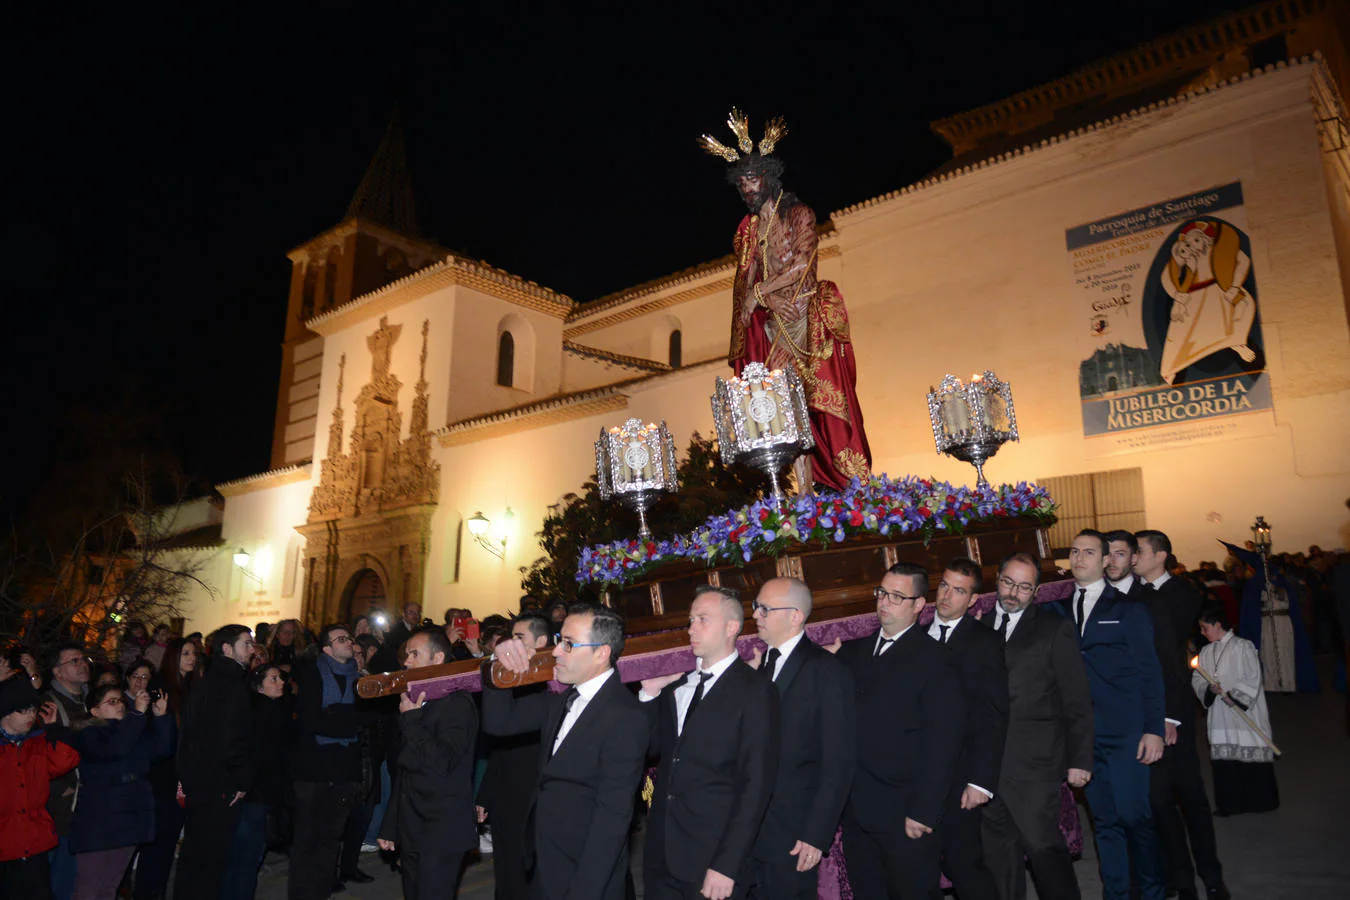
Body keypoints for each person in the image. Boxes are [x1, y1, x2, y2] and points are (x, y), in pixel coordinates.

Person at [701, 109, 871, 490]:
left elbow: (801, 266)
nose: (747, 188)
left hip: (806, 319)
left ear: (769, 177)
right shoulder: (747, 232)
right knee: (787, 414)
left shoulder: (799, 214)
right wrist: (757, 302)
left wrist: (760, 294)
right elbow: (746, 278)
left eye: (753, 178)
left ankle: (851, 485)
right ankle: (803, 494)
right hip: (776, 324)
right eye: (741, 182)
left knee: (824, 408)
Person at [486, 605, 647, 900]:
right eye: (560, 639)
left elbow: (611, 821)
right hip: (545, 863)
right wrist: (498, 661)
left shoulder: (625, 715)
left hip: (584, 875)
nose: (557, 651)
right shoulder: (561, 699)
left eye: (569, 644)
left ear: (601, 653)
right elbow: (499, 723)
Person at [832, 562, 964, 899]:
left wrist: (923, 810)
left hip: (906, 812)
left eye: (896, 596)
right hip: (858, 809)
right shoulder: (852, 653)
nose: (884, 602)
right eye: (882, 593)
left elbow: (943, 744)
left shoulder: (937, 660)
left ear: (919, 604)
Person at [638, 586, 779, 900]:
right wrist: (648, 693)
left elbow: (755, 786)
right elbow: (648, 750)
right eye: (690, 620)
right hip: (662, 856)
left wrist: (727, 864)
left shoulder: (755, 691)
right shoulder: (677, 687)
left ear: (731, 628)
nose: (691, 629)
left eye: (702, 620)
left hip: (712, 859)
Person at [1057, 530, 1166, 900]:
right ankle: (1115, 893)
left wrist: (1153, 729)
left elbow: (1150, 673)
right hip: (1085, 736)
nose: (1079, 558)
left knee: (1135, 817)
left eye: (1089, 552)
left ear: (1106, 560)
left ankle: (1152, 891)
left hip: (1127, 733)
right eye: (1074, 551)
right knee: (1104, 822)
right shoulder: (1058, 610)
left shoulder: (1128, 610)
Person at [980, 552, 1093, 900]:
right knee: (998, 858)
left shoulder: (1053, 629)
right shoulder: (978, 627)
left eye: (1025, 587)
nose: (1014, 593)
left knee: (1045, 851)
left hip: (1034, 765)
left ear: (1037, 591)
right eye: (1008, 583)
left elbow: (1076, 699)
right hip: (985, 767)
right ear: (997, 580)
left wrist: (1081, 759)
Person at [1135, 531, 1229, 900]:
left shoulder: (1182, 593)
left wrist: (1170, 717)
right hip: (1146, 714)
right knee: (1159, 803)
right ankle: (1181, 878)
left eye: (1138, 551)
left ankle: (1213, 876)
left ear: (1160, 556)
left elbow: (1170, 662)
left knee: (1191, 799)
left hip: (1174, 712)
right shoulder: (1135, 595)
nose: (1131, 558)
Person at [747, 578, 854, 899]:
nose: (756, 615)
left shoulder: (826, 671)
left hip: (793, 831)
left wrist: (816, 834)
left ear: (795, 616)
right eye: (756, 607)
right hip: (753, 828)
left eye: (764, 608)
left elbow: (839, 760)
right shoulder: (761, 667)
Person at [927, 558, 1006, 900]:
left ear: (973, 599)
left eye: (959, 590)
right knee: (921, 867)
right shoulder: (913, 634)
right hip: (918, 776)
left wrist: (980, 782)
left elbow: (993, 715)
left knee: (963, 864)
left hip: (962, 776)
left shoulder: (985, 641)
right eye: (944, 585)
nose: (947, 596)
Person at [378, 627, 479, 899]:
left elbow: (443, 761)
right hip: (413, 825)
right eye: (406, 654)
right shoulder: (415, 700)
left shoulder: (458, 702)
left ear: (437, 659)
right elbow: (407, 768)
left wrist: (412, 721)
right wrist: (391, 824)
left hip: (442, 829)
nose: (406, 661)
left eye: (414, 654)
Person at [67, 683, 174, 900]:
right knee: (89, 887)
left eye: (121, 702)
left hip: (130, 816)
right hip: (99, 819)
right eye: (112, 702)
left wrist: (161, 716)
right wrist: (136, 714)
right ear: (94, 711)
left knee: (109, 886)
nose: (120, 706)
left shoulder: (131, 729)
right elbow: (114, 748)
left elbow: (161, 750)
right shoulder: (89, 733)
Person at [174, 625, 256, 900]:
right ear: (226, 649)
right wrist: (240, 781)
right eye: (246, 644)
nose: (252, 650)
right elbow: (231, 740)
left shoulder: (207, 681)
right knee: (209, 863)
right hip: (218, 786)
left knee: (195, 859)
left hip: (201, 783)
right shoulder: (230, 686)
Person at [477, 613, 552, 899]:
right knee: (507, 870)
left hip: (537, 797)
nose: (513, 645)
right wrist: (485, 795)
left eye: (520, 638)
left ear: (542, 641)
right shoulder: (509, 676)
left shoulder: (554, 682)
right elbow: (499, 744)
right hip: (507, 795)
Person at [289, 624, 367, 900]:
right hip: (313, 769)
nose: (349, 642)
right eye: (341, 639)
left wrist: (337, 715)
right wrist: (345, 721)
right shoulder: (312, 675)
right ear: (327, 649)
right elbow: (310, 721)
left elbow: (364, 719)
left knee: (331, 837)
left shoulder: (359, 679)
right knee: (307, 838)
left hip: (344, 770)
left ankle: (321, 892)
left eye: (349, 638)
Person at [1192, 608, 1279, 815]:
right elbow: (1198, 679)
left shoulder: (1243, 646)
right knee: (1226, 760)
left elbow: (1252, 676)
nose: (1202, 633)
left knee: (1249, 755)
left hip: (1243, 713)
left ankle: (1259, 802)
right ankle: (1229, 804)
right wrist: (1209, 689)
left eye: (1205, 628)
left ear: (1218, 624)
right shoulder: (1205, 652)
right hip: (1220, 714)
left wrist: (1235, 696)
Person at [0, 677, 80, 896]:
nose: (30, 716)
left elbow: (65, 761)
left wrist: (55, 729)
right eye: (23, 711)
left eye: (32, 710)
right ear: (6, 712)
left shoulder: (36, 742)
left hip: (34, 841)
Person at [221, 664, 292, 900]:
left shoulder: (274, 709)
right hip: (254, 794)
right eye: (273, 679)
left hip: (261, 793)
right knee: (245, 856)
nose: (280, 682)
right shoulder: (260, 713)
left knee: (245, 856)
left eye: (280, 678)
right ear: (258, 686)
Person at [133, 637, 196, 900]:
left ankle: (155, 891)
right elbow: (163, 738)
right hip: (162, 777)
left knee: (168, 843)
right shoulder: (162, 688)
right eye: (186, 653)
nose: (192, 658)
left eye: (194, 653)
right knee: (158, 844)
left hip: (180, 775)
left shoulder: (190, 687)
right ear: (173, 657)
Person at [43, 642, 91, 900]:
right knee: (56, 879)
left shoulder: (88, 700)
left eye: (83, 659)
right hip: (58, 806)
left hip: (81, 805)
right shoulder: (48, 706)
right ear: (57, 672)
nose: (82, 664)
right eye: (74, 661)